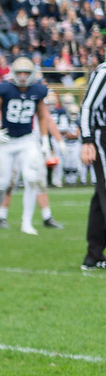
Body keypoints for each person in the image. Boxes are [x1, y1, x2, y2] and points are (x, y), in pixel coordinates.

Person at [0, 57, 62, 234]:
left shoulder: (38, 91)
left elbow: (42, 116)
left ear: (32, 74)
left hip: (27, 140)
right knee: (2, 184)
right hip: (7, 141)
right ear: (14, 74)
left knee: (32, 178)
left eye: (27, 73)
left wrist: (45, 141)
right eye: (20, 73)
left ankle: (27, 222)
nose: (23, 76)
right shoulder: (4, 90)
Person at [80, 59, 106, 270]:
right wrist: (87, 140)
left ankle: (94, 255)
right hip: (102, 136)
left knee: (101, 196)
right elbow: (87, 105)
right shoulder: (105, 71)